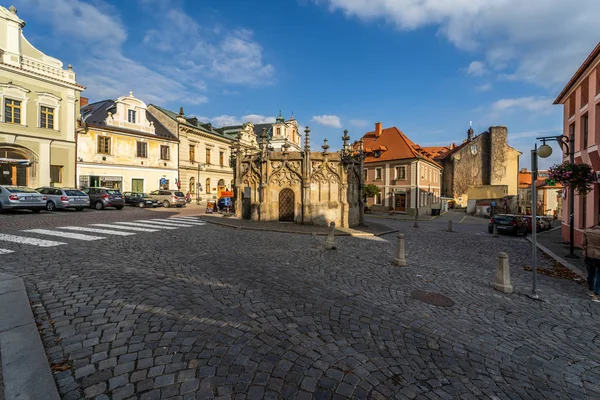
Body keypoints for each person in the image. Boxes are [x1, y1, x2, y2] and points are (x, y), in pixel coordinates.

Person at [582, 226, 600, 302]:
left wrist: (586, 251)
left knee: (591, 273)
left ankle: (591, 290)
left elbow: (583, 243)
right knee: (599, 275)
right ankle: (597, 294)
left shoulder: (588, 231)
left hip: (589, 254)